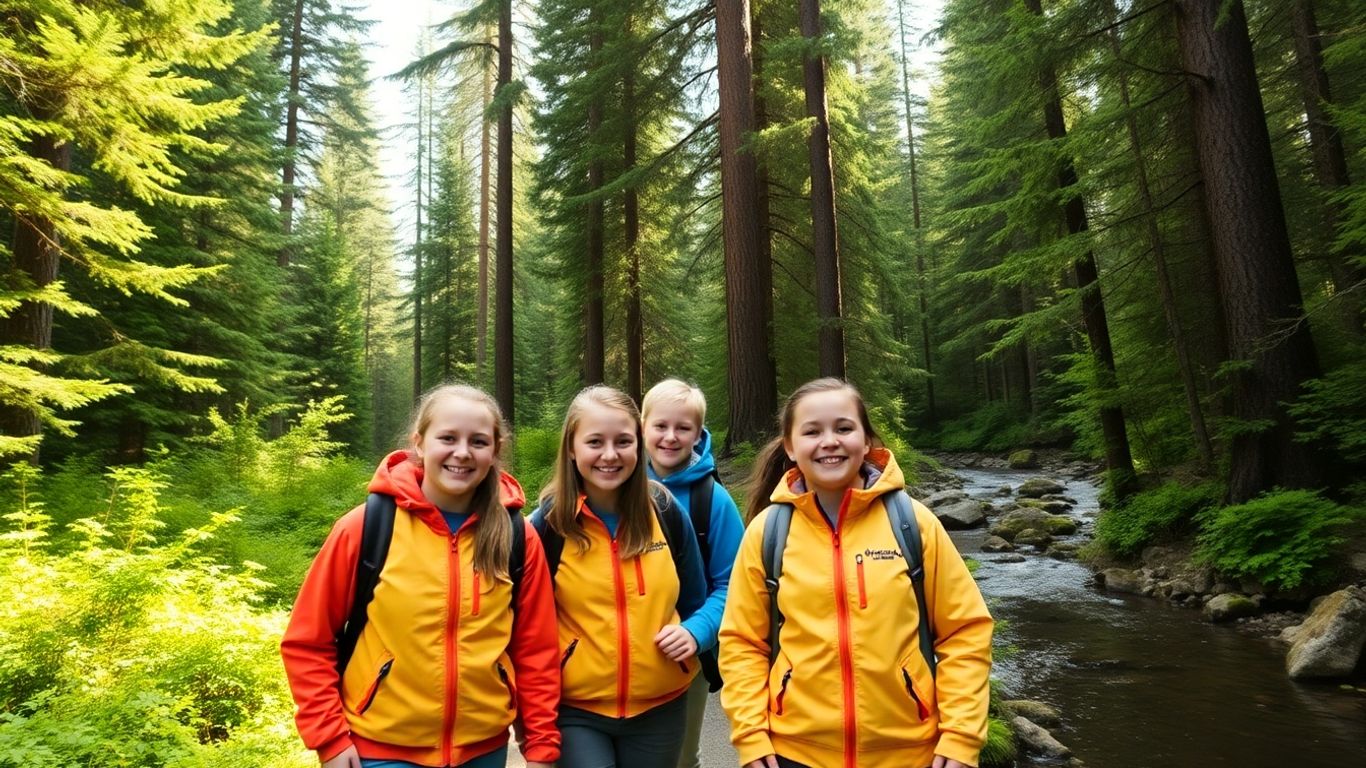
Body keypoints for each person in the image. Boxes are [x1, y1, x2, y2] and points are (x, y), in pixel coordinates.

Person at [281, 384, 560, 768]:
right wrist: (328, 736)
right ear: (420, 443)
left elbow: (536, 649)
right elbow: (307, 641)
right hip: (381, 751)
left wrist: (541, 745)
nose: (462, 453)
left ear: (495, 452)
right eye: (448, 438)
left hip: (484, 751)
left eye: (478, 441)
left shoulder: (516, 535)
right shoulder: (366, 527)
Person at [719, 378, 993, 768]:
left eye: (844, 428)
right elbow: (743, 642)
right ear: (790, 447)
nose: (829, 441)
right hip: (795, 754)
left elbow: (963, 631)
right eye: (812, 431)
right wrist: (750, 736)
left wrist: (961, 737)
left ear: (867, 442)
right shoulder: (768, 532)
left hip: (911, 754)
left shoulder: (913, 523)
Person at [529, 385, 708, 768]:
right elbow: (522, 626)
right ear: (572, 448)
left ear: (638, 445)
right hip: (575, 711)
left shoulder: (665, 511)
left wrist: (696, 631)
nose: (610, 455)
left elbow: (700, 598)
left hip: (662, 709)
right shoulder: (546, 525)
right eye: (595, 442)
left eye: (623, 441)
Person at [640, 378, 745, 768]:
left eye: (683, 428)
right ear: (642, 427)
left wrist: (697, 632)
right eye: (661, 426)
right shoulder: (610, 482)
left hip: (684, 654)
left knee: (680, 758)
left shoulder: (711, 499)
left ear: (698, 433)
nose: (670, 437)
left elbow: (735, 584)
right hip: (608, 652)